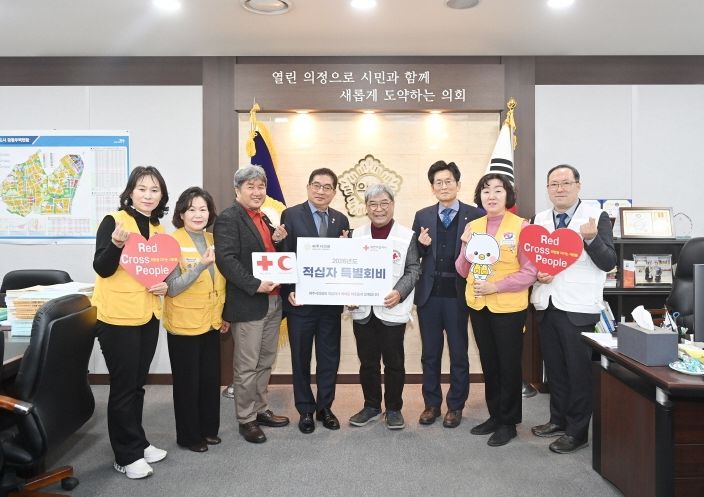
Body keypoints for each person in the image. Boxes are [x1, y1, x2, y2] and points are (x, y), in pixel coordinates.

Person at [530, 164, 617, 454]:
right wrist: (536, 273)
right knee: (555, 369)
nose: (560, 189)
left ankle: (578, 432)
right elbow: (532, 259)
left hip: (578, 307)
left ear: (578, 185)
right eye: (553, 184)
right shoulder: (539, 219)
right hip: (546, 303)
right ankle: (558, 420)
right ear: (547, 189)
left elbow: (609, 262)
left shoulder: (596, 216)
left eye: (566, 183)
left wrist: (591, 239)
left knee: (578, 371)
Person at [92, 166, 170, 479]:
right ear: (130, 192)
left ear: (161, 195)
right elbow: (102, 268)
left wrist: (164, 284)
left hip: (148, 314)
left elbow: (158, 270)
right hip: (117, 317)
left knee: (138, 385)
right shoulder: (114, 221)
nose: (148, 195)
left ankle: (137, 442)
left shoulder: (158, 228)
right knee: (124, 387)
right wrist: (115, 245)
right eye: (142, 189)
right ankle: (125, 456)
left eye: (154, 190)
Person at [455, 173, 537, 447]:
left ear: (508, 195)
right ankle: (495, 415)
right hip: (479, 305)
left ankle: (508, 423)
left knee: (509, 365)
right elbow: (462, 269)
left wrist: (496, 286)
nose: (491, 195)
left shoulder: (522, 226)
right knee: (489, 363)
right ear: (479, 196)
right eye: (486, 190)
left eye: (498, 190)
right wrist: (465, 245)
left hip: (509, 307)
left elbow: (529, 272)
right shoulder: (473, 225)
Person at [214, 165, 290, 444]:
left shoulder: (264, 217)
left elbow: (269, 257)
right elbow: (226, 260)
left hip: (273, 300)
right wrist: (255, 284)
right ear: (237, 190)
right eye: (251, 187)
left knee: (265, 360)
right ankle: (246, 419)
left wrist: (278, 242)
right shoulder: (228, 218)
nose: (257, 192)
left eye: (261, 187)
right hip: (248, 302)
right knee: (247, 365)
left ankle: (260, 409)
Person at [412, 160, 482, 427]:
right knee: (430, 354)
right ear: (432, 187)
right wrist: (421, 246)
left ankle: (455, 406)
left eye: (448, 181)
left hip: (458, 295)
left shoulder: (475, 215)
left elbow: (483, 254)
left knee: (459, 353)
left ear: (458, 184)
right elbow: (413, 255)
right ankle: (431, 404)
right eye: (438, 182)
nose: (443, 186)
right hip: (429, 296)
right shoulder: (422, 215)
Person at [280, 168, 350, 434]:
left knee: (329, 357)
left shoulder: (340, 219)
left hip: (330, 304)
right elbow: (285, 255)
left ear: (334, 191)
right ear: (308, 187)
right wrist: (289, 290)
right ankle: (305, 410)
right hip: (301, 302)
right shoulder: (291, 215)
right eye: (317, 185)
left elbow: (345, 261)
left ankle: (325, 408)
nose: (321, 191)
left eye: (327, 187)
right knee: (300, 358)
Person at [348, 183, 421, 430]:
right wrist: (349, 293)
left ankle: (393, 408)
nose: (379, 209)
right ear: (366, 207)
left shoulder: (406, 235)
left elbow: (413, 269)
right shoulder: (356, 235)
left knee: (394, 363)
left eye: (384, 203)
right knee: (367, 362)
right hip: (363, 311)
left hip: (392, 310)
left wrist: (399, 292)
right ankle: (371, 406)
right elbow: (348, 269)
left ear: (392, 205)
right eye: (373, 204)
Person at [163, 187, 227, 453]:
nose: (198, 214)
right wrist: (200, 265)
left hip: (211, 322)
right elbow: (172, 287)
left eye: (203, 209)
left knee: (210, 381)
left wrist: (224, 315)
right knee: (187, 385)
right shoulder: (171, 242)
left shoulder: (214, 239)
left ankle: (208, 429)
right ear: (181, 213)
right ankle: (188, 436)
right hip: (184, 325)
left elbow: (221, 282)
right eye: (192, 209)